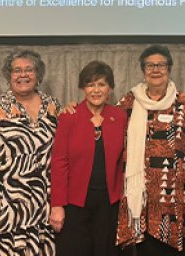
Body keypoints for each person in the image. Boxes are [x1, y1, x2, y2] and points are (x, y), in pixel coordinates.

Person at [116, 45, 185, 256]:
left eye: (161, 65)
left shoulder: (183, 102)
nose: (155, 70)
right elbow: (107, 125)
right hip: (142, 195)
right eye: (150, 65)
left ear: (169, 68)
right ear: (143, 70)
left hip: (174, 195)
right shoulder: (130, 101)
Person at [50, 60, 127, 256]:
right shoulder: (69, 117)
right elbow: (59, 163)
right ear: (83, 88)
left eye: (101, 84)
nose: (96, 90)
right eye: (90, 84)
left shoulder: (119, 116)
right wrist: (57, 205)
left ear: (110, 88)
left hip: (109, 203)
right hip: (75, 203)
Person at [0, 49, 61, 256]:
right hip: (6, 206)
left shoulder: (53, 106)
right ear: (8, 75)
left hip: (44, 207)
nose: (23, 75)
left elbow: (63, 153)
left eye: (29, 70)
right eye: (17, 70)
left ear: (38, 75)